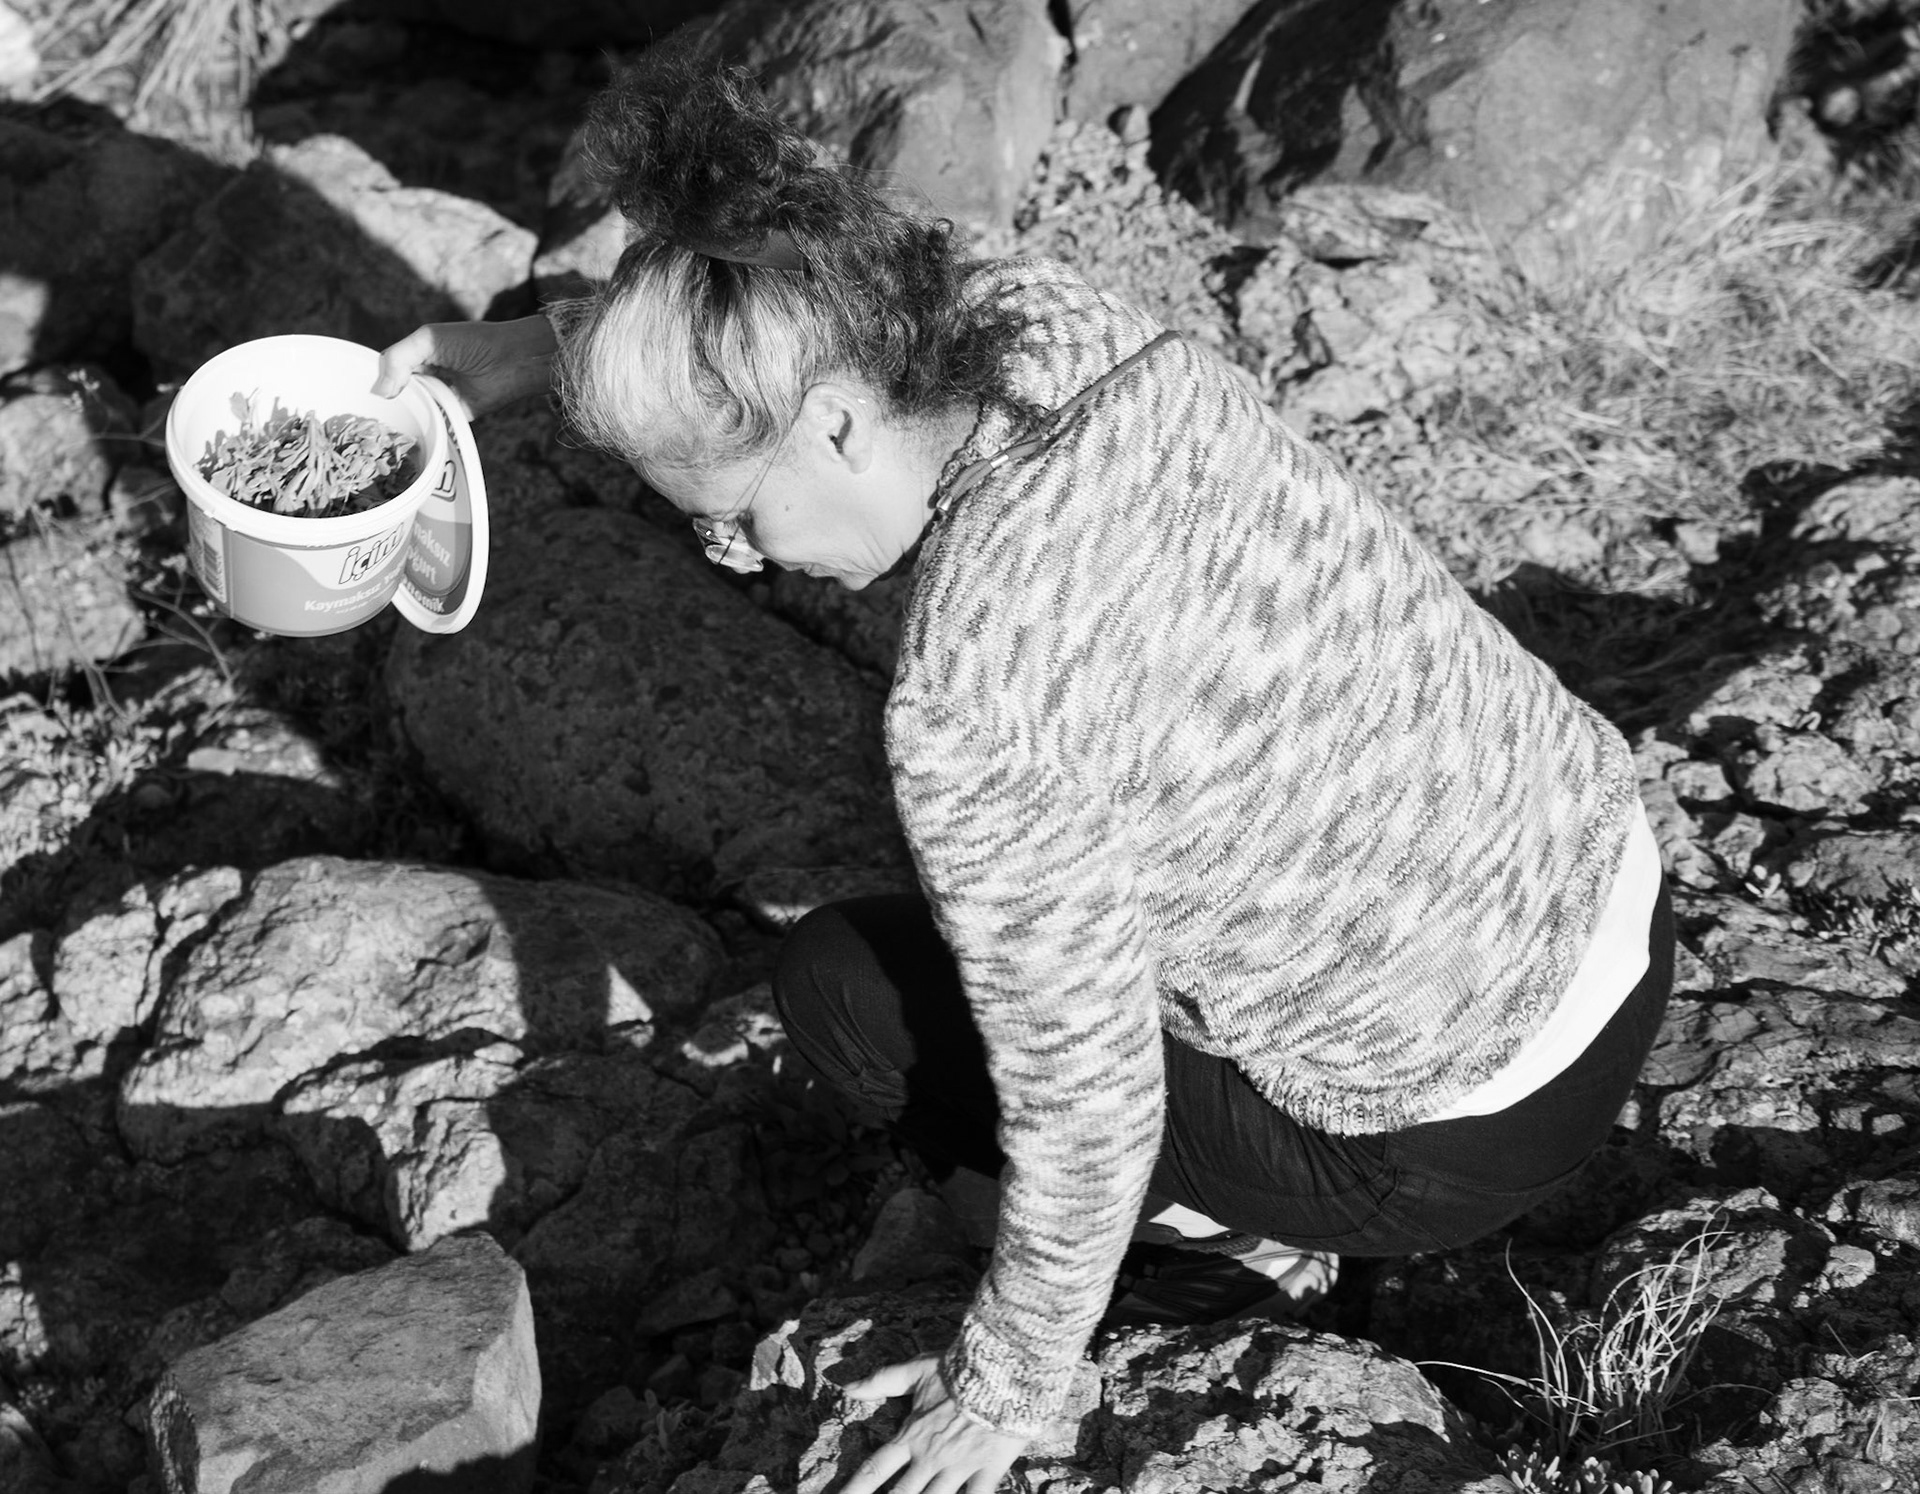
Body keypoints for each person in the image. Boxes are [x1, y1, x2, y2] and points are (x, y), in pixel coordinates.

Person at [375, 50, 1674, 1494]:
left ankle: (1226, 1258)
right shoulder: (1039, 318)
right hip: (1603, 876)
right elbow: (823, 269)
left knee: (845, 993)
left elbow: (1087, 1095)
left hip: (1449, 1124)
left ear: (837, 426)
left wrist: (1007, 1384)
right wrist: (543, 349)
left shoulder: (974, 701)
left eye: (733, 517)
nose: (733, 557)